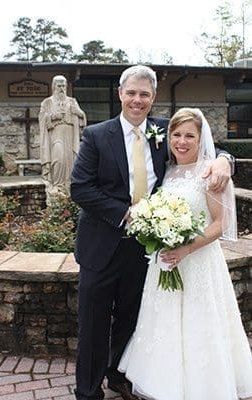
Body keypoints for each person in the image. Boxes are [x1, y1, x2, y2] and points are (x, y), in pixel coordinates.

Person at [70, 65, 234, 400]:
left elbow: (201, 146)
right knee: (93, 322)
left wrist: (225, 161)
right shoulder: (97, 135)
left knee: (131, 317)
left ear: (153, 98)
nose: (137, 100)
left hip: (145, 249)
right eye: (131, 92)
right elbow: (80, 188)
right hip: (101, 245)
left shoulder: (165, 131)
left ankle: (119, 375)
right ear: (120, 94)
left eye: (144, 94)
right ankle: (87, 392)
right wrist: (129, 215)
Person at [119, 108, 252, 400]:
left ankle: (203, 386)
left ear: (201, 138)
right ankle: (166, 382)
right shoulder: (167, 171)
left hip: (198, 262)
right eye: (176, 135)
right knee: (165, 322)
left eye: (189, 135)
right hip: (166, 261)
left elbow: (220, 225)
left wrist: (186, 248)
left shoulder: (211, 172)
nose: (181, 141)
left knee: (200, 322)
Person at [39, 75, 86, 204]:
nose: (61, 89)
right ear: (54, 86)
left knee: (70, 160)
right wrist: (53, 116)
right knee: (58, 159)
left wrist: (77, 112)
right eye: (59, 86)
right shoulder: (47, 102)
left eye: (64, 86)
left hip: (71, 135)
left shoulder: (72, 101)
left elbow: (82, 117)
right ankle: (57, 186)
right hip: (55, 135)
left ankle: (69, 186)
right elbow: (42, 119)